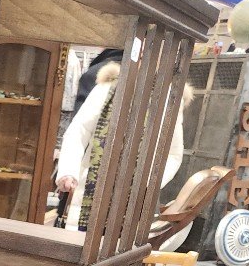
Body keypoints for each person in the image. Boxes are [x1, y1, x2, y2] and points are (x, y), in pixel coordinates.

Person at [54, 61, 188, 232]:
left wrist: (148, 182)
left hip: (136, 199)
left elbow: (173, 152)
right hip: (91, 192)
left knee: (123, 252)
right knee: (78, 246)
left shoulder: (171, 99)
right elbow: (78, 131)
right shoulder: (108, 87)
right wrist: (68, 172)